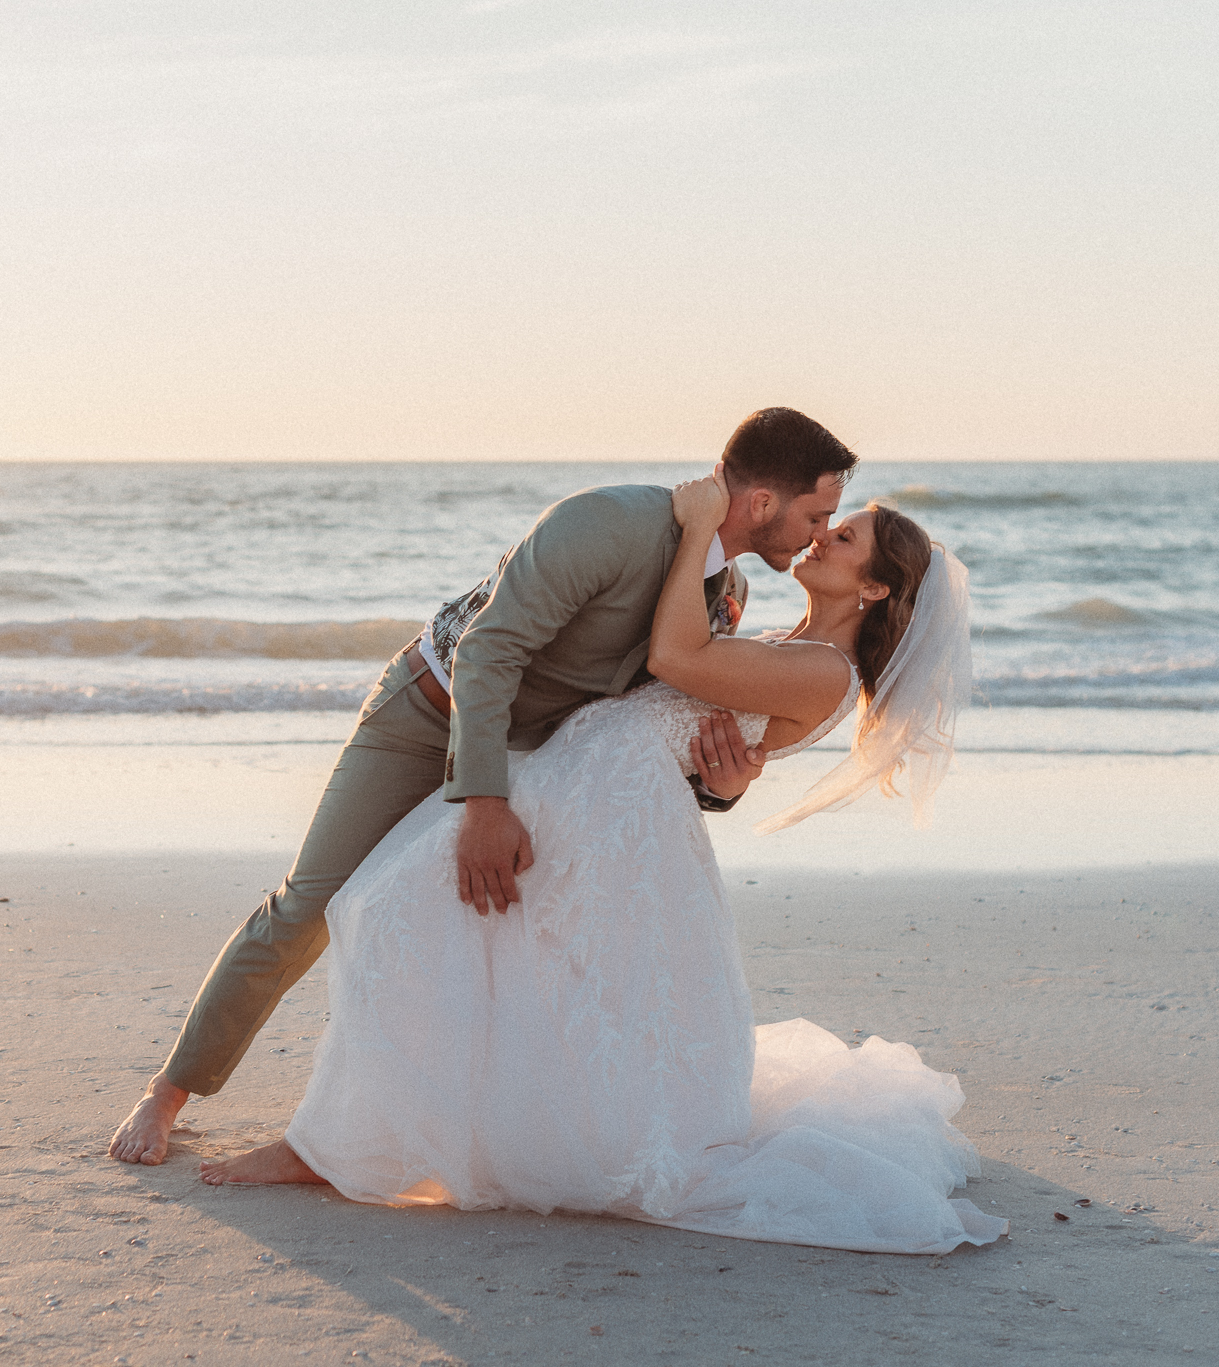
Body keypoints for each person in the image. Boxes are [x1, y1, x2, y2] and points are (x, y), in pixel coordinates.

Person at [198, 478, 1006, 1257]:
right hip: (587, 793)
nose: (824, 535)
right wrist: (723, 776)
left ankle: (332, 1145)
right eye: (829, 519)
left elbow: (674, 653)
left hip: (602, 812)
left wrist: (696, 528)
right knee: (441, 936)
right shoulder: (786, 643)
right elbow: (699, 731)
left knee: (402, 914)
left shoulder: (825, 672)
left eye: (845, 534)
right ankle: (356, 1137)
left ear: (871, 589)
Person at [110, 409, 859, 1165]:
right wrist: (485, 803)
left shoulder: (725, 594)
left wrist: (720, 789)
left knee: (490, 938)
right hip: (426, 714)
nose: (816, 534)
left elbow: (641, 724)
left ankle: (434, 1135)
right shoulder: (605, 523)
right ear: (763, 503)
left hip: (535, 757)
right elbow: (486, 651)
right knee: (311, 906)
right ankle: (169, 1091)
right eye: (816, 514)